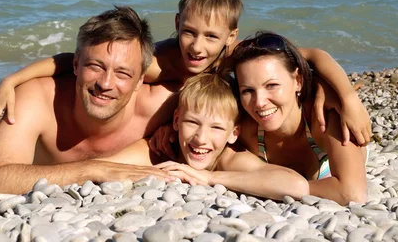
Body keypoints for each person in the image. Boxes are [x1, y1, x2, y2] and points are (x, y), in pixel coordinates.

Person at [0, 0, 372, 149]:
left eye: (211, 37)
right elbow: (80, 61)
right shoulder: (160, 63)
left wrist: (348, 98)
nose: (197, 47)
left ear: (231, 38)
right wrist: (14, 79)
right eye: (189, 32)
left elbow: (314, 56)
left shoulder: (237, 57)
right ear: (176, 25)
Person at [0, 6, 178, 195]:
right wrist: (94, 170)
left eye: (122, 73)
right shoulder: (38, 98)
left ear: (140, 80)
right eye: (95, 66)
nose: (106, 83)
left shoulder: (161, 105)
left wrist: (174, 126)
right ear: (75, 64)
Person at [96, 72, 310, 201]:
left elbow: (296, 186)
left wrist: (210, 178)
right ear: (176, 121)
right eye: (192, 122)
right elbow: (97, 167)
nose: (201, 138)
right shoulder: (158, 149)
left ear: (233, 133)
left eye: (216, 128)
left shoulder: (228, 158)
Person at [230, 32, 368, 204]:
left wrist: (288, 188)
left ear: (298, 81)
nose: (259, 103)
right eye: (247, 90)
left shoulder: (325, 117)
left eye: (272, 85)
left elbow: (352, 194)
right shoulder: (241, 129)